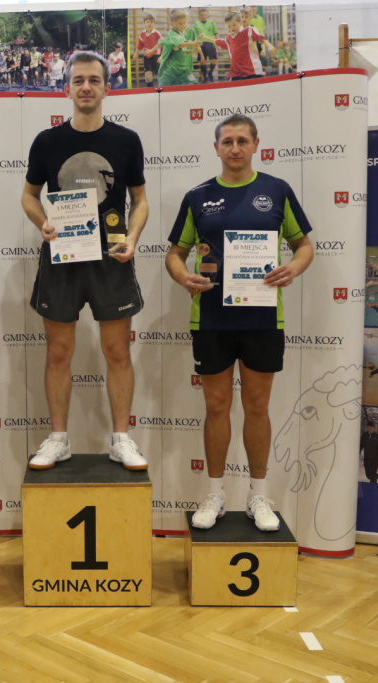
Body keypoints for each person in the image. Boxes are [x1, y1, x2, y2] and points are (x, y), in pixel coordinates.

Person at [164, 113, 314, 532]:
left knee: (257, 407)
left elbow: (304, 245)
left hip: (263, 318)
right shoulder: (198, 197)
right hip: (211, 318)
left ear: (255, 145)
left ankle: (258, 495)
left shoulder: (277, 190)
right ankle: (214, 494)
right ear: (216, 147)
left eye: (242, 140)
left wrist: (293, 268)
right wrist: (183, 277)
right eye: (227, 141)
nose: (234, 148)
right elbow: (175, 253)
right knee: (216, 407)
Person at [21, 51, 150, 471]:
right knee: (59, 352)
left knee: (117, 351)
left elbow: (140, 200)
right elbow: (29, 196)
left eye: (94, 80)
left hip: (111, 257)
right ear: (67, 89)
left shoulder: (127, 140)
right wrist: (43, 222)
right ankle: (59, 438)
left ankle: (121, 439)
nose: (86, 87)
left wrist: (133, 238)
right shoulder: (47, 141)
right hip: (62, 256)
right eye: (78, 80)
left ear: (107, 88)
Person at [213, 11, 275, 81]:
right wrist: (206, 38)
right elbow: (219, 42)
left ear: (240, 22)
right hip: (237, 72)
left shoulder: (249, 30)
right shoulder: (229, 38)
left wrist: (269, 46)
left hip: (252, 70)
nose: (231, 28)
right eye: (229, 26)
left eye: (234, 25)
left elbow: (260, 37)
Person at [157, 9, 203, 87]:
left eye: (185, 22)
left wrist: (193, 51)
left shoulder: (181, 33)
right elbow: (180, 44)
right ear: (171, 23)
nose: (183, 25)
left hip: (182, 70)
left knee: (193, 85)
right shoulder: (172, 34)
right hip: (170, 72)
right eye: (180, 23)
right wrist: (193, 43)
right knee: (164, 91)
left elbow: (184, 52)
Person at [137, 14, 163, 87]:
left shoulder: (156, 33)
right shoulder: (142, 33)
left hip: (156, 57)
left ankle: (163, 88)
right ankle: (150, 89)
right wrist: (136, 53)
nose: (149, 24)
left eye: (151, 22)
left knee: (160, 75)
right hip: (147, 57)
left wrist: (161, 56)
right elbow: (140, 44)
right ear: (144, 23)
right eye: (147, 22)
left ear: (154, 23)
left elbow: (162, 45)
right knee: (148, 76)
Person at [193, 9, 219, 83]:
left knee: (214, 60)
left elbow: (216, 33)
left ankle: (210, 73)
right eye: (201, 15)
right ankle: (205, 77)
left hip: (210, 43)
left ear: (207, 15)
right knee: (202, 61)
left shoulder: (212, 23)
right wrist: (196, 45)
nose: (203, 16)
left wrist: (218, 44)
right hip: (201, 44)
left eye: (205, 15)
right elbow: (195, 36)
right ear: (199, 16)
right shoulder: (196, 24)